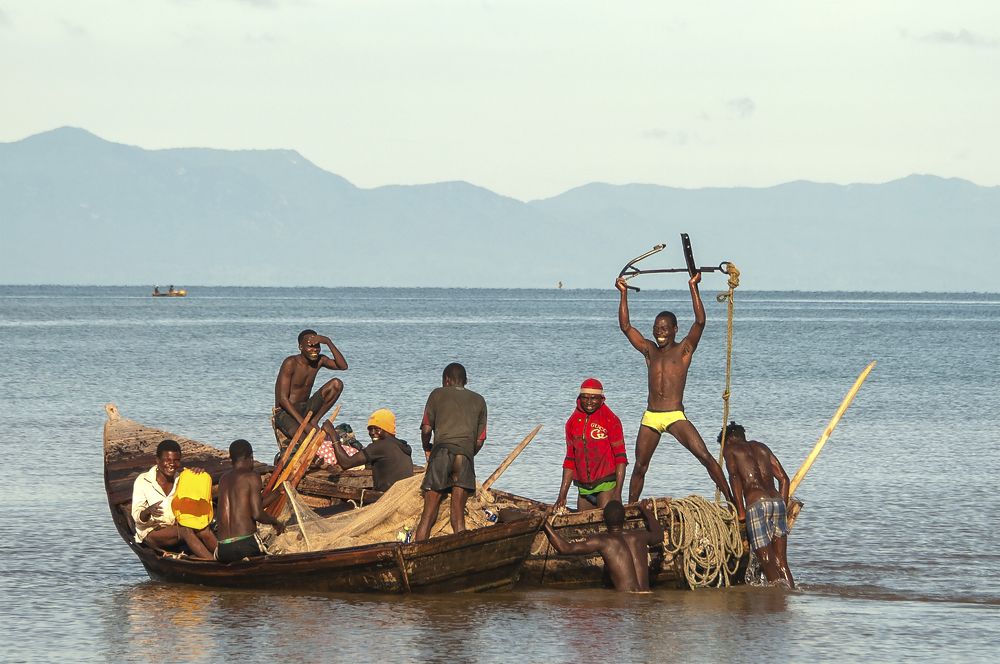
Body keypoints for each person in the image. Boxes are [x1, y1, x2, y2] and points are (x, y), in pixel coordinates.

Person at [615, 273, 735, 504]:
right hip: (651, 416)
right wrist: (623, 293)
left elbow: (700, 322)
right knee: (640, 466)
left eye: (664, 328)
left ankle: (732, 502)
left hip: (674, 415)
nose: (659, 331)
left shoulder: (684, 350)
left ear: (674, 329)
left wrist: (693, 287)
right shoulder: (649, 350)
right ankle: (630, 509)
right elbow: (626, 326)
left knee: (705, 456)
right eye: (656, 327)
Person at [413, 363, 487, 541]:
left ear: (446, 380)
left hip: (441, 455)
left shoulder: (437, 394)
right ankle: (462, 556)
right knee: (458, 519)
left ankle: (416, 555)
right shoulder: (479, 400)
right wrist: (468, 453)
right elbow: (480, 439)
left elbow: (426, 429)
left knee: (428, 516)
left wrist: (427, 448)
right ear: (466, 381)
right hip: (465, 458)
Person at [720, 422, 795, 588]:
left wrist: (740, 511)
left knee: (766, 559)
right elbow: (784, 479)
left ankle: (777, 597)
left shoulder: (730, 449)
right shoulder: (762, 447)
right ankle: (791, 593)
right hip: (777, 502)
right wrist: (782, 506)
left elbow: (734, 478)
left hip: (757, 505)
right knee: (781, 560)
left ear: (729, 439)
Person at [542, 499, 663, 592]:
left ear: (604, 520)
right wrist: (645, 510)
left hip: (627, 602)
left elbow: (564, 548)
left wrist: (544, 523)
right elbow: (659, 535)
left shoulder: (604, 541)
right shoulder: (640, 536)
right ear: (624, 519)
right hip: (647, 597)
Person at [131, 439, 216, 559]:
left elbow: (194, 500)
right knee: (185, 530)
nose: (172, 464)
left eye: (176, 460)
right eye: (167, 460)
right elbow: (137, 517)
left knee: (203, 529)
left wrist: (198, 475)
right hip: (152, 532)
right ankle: (213, 564)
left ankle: (226, 558)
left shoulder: (182, 479)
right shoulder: (143, 480)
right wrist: (148, 511)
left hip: (175, 527)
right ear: (158, 461)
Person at [555, 378, 628, 511]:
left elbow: (621, 458)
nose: (589, 402)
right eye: (585, 398)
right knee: (584, 525)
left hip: (606, 483)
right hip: (583, 488)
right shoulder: (572, 422)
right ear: (580, 397)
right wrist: (562, 495)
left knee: (605, 523)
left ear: (601, 399)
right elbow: (570, 459)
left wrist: (618, 493)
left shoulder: (611, 419)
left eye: (594, 398)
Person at [215, 439, 286, 563]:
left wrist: (277, 493)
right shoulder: (252, 476)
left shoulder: (223, 479)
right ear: (251, 457)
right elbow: (257, 513)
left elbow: (250, 508)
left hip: (222, 549)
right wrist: (275, 522)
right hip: (245, 545)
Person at [273, 329, 348, 441]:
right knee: (303, 437)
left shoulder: (319, 360)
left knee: (337, 384)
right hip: (285, 412)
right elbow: (283, 400)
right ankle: (307, 425)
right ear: (301, 347)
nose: (314, 350)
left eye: (317, 346)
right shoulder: (290, 363)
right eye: (310, 346)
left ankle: (314, 420)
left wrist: (328, 341)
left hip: (305, 408)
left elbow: (343, 366)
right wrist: (304, 424)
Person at [329, 409, 414, 492]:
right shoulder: (401, 445)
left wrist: (333, 435)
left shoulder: (380, 446)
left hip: (387, 499)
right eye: (370, 429)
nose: (372, 433)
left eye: (377, 429)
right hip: (402, 495)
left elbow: (346, 463)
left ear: (388, 429)